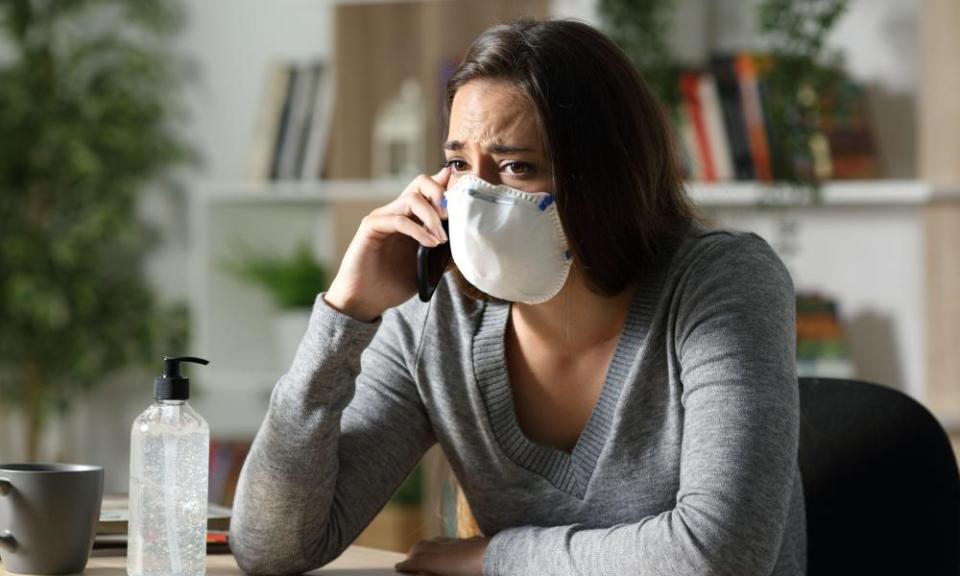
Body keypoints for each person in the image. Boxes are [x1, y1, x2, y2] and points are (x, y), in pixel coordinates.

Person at [229, 18, 806, 576]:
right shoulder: (436, 317)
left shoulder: (722, 281)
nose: (475, 197)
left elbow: (719, 556)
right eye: (458, 163)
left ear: (604, 178)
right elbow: (271, 546)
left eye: (516, 167)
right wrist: (345, 314)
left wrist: (494, 559)